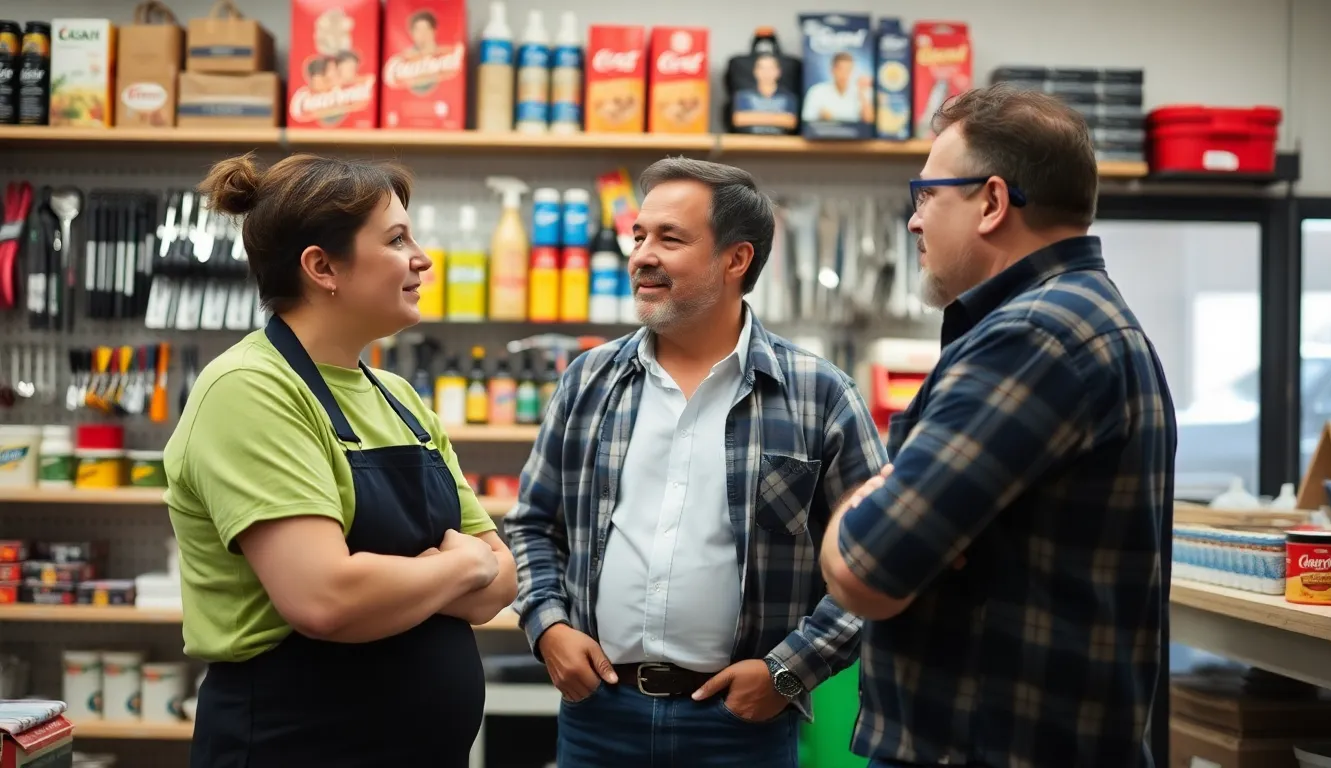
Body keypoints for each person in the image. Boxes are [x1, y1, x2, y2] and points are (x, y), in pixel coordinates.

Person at [819, 83, 1177, 767]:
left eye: (926, 195)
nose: (914, 221)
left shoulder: (1034, 338)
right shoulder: (1081, 319)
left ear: (991, 201)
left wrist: (863, 504)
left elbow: (865, 567)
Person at [504, 157, 888, 768]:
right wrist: (547, 626)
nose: (641, 256)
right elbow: (531, 525)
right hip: (599, 716)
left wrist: (790, 671)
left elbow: (882, 557)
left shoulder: (819, 395)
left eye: (669, 238)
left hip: (740, 728)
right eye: (639, 235)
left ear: (736, 260)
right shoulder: (588, 381)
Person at [165, 152, 517, 768]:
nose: (423, 258)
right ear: (322, 266)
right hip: (295, 745)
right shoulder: (251, 389)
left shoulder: (399, 397)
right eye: (397, 238)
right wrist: (457, 569)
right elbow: (325, 599)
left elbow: (502, 581)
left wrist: (423, 578)